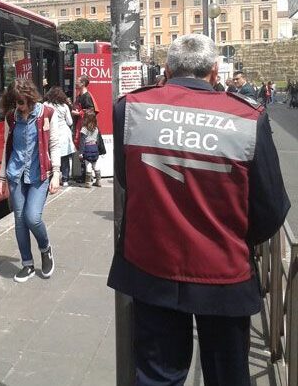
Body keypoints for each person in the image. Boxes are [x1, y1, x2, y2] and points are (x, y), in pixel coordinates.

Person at [108, 34, 290, 385]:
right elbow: (270, 208)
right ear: (214, 71)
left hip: (151, 267)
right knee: (227, 376)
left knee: (158, 377)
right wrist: (229, 237)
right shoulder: (247, 117)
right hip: (223, 273)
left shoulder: (130, 109)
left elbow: (127, 179)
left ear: (166, 69)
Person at [0, 78, 60, 283]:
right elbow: (7, 148)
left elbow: (54, 144)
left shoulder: (47, 114)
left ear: (31, 98)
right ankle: (27, 264)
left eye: (23, 102)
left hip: (38, 175)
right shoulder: (11, 118)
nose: (20, 107)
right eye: (16, 102)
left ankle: (45, 249)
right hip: (15, 174)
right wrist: (2, 177)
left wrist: (57, 173)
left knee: (32, 217)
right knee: (19, 219)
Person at [44, 86, 75, 186]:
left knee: (51, 154)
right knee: (65, 157)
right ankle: (65, 179)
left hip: (50, 133)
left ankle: (52, 176)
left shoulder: (45, 105)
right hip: (63, 133)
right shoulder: (64, 106)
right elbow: (70, 122)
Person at [71, 75, 98, 182]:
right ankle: (85, 175)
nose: (76, 83)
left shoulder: (86, 96)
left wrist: (77, 113)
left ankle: (87, 176)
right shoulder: (80, 95)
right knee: (81, 148)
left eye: (77, 81)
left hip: (84, 125)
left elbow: (91, 111)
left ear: (82, 83)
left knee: (84, 148)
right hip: (80, 124)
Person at [78, 110, 101, 187]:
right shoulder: (96, 128)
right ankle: (98, 181)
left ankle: (88, 183)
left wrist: (81, 153)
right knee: (95, 164)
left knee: (88, 165)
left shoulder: (84, 129)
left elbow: (82, 141)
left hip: (87, 148)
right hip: (95, 148)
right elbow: (97, 140)